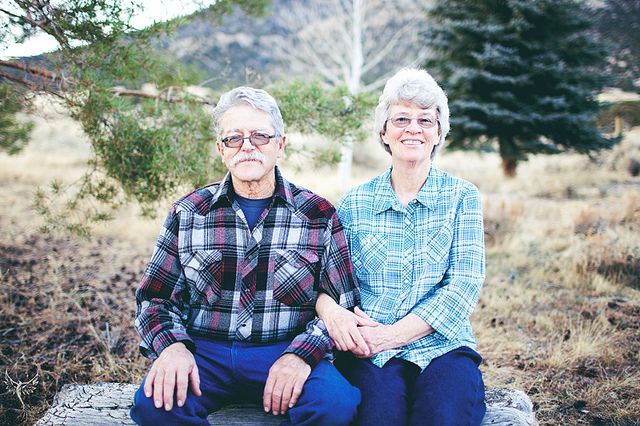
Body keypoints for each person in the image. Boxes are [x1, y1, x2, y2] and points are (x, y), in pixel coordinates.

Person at [130, 86, 361, 426]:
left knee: (335, 405)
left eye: (260, 136)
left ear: (280, 145)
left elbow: (341, 302)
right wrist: (172, 348)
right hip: (205, 353)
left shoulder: (318, 213)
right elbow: (154, 299)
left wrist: (302, 355)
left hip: (283, 348)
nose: (248, 146)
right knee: (154, 406)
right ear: (220, 149)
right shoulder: (189, 212)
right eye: (234, 138)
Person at [316, 68, 487, 425]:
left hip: (443, 346)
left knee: (443, 417)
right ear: (384, 131)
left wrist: (392, 336)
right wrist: (345, 322)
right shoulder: (354, 203)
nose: (413, 128)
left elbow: (464, 284)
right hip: (371, 352)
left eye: (426, 120)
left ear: (439, 131)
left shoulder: (462, 197)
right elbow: (328, 285)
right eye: (402, 119)